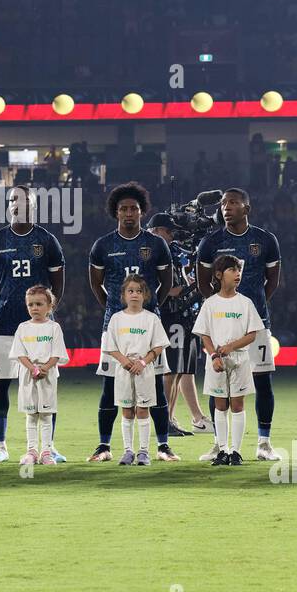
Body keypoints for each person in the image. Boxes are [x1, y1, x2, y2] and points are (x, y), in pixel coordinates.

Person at [87, 182, 178, 463]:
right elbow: (95, 284)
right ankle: (104, 446)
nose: (129, 213)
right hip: (114, 327)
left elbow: (166, 283)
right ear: (115, 212)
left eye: (134, 209)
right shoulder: (103, 245)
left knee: (156, 389)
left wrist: (150, 310)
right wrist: (117, 313)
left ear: (142, 212)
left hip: (149, 327)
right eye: (124, 208)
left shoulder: (155, 244)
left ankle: (163, 446)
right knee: (110, 388)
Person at [194, 188, 282, 461]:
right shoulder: (211, 242)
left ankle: (264, 443)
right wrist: (221, 309)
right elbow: (203, 282)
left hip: (256, 323)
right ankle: (220, 445)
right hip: (221, 327)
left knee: (262, 381)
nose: (225, 207)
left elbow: (272, 281)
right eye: (222, 203)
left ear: (247, 207)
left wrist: (249, 309)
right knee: (217, 383)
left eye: (233, 202)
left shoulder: (265, 240)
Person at [0, 184, 66, 463]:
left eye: (23, 200)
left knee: (46, 386)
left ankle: (48, 447)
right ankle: (0, 446)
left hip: (41, 329)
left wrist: (45, 315)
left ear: (33, 205)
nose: (17, 204)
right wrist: (5, 311)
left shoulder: (47, 240)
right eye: (11, 200)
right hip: (5, 324)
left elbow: (58, 282)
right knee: (0, 384)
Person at [192, 255, 264, 467]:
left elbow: (252, 334)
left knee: (238, 404)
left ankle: (236, 451)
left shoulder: (245, 303)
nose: (237, 273)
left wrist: (231, 346)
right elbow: (204, 334)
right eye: (232, 270)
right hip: (216, 361)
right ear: (218, 275)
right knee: (220, 405)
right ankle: (222, 449)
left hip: (240, 359)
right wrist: (214, 355)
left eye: (238, 270)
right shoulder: (210, 304)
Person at [148, 213, 206, 436]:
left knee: (178, 370)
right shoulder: (152, 253)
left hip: (179, 315)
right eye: (167, 231)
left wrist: (189, 286)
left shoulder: (171, 254)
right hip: (167, 315)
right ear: (156, 230)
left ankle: (170, 418)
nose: (172, 235)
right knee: (170, 371)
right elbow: (161, 288)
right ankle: (164, 420)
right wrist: (188, 290)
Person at [105, 276, 170, 467]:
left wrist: (142, 362)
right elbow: (111, 347)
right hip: (124, 371)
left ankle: (143, 451)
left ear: (145, 295)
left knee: (143, 410)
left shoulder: (151, 319)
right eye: (130, 291)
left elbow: (158, 346)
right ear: (123, 295)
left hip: (145, 370)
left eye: (139, 291)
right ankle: (127, 451)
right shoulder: (116, 319)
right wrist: (125, 362)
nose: (135, 294)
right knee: (126, 411)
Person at [13, 284, 69, 466]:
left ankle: (46, 451)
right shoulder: (22, 327)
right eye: (30, 305)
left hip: (48, 375)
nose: (34, 308)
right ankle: (31, 451)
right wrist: (32, 368)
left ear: (49, 306)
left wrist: (45, 368)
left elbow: (57, 353)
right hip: (28, 375)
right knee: (31, 414)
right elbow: (19, 353)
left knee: (46, 414)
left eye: (39, 304)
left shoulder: (54, 328)